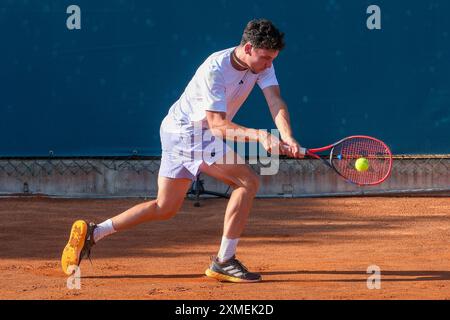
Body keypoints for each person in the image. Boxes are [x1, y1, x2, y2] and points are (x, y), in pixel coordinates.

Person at [61, 18, 302, 283]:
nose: (269, 64)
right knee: (247, 181)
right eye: (265, 58)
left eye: (272, 59)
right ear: (247, 48)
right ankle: (224, 260)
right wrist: (260, 136)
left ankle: (94, 233)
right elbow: (218, 125)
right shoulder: (216, 69)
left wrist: (287, 136)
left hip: (177, 130)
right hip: (191, 133)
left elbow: (275, 100)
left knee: (165, 207)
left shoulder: (262, 65)